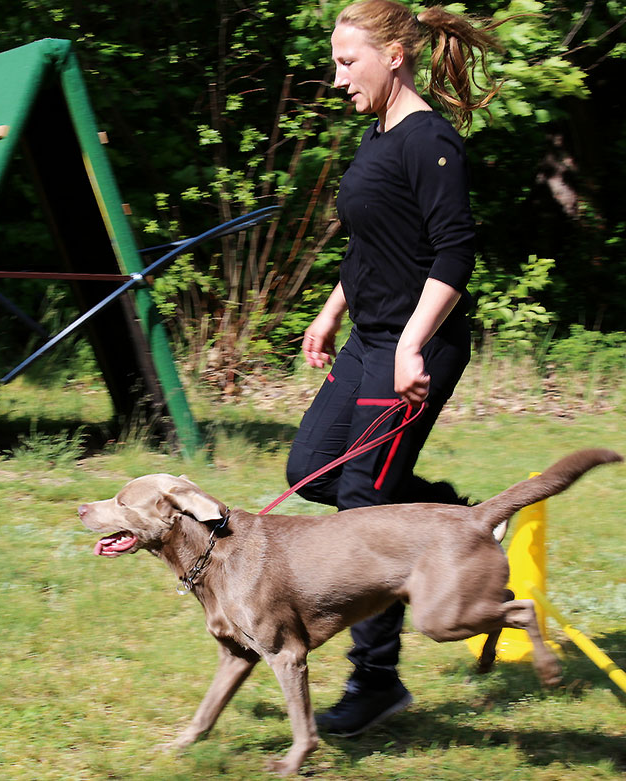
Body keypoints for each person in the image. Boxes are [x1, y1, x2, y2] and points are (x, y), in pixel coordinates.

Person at [286, 0, 504, 737]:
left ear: (394, 55)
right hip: (367, 339)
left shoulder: (430, 140)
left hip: (417, 343)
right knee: (312, 468)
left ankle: (376, 679)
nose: (338, 77)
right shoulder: (376, 138)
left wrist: (411, 342)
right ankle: (454, 523)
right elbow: (373, 245)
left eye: (349, 61)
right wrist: (330, 309)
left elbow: (453, 254)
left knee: (361, 505)